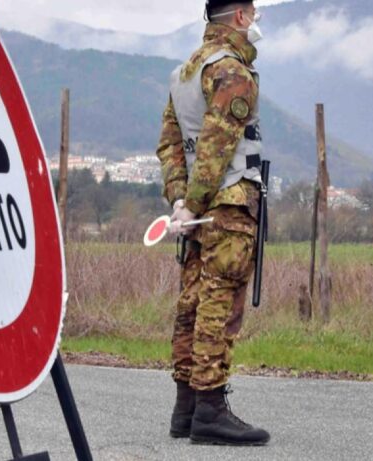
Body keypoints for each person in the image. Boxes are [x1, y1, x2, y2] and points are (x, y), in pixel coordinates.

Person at [155, 0, 270, 446]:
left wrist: (180, 201)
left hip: (196, 212)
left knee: (192, 302)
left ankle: (185, 408)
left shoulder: (184, 73)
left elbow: (170, 146)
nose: (255, 21)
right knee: (218, 305)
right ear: (239, 16)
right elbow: (216, 148)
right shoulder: (232, 71)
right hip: (228, 206)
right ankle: (210, 408)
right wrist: (194, 202)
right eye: (253, 12)